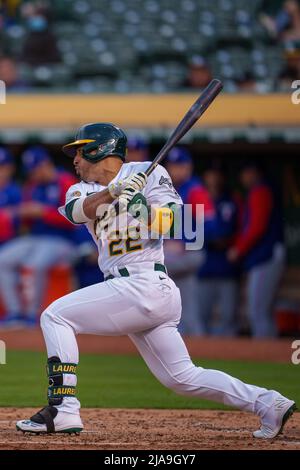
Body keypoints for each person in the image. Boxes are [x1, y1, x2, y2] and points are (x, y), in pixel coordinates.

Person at [16, 123, 296, 437]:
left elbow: (186, 227)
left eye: (80, 151)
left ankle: (63, 409)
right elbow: (77, 212)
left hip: (145, 282)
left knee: (55, 316)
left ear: (100, 149)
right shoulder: (81, 188)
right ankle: (268, 402)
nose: (75, 160)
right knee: (181, 377)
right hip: (130, 290)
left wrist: (142, 207)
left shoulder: (151, 173)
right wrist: (116, 192)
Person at [0, 146, 76, 326]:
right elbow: (26, 222)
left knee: (35, 263)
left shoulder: (65, 182)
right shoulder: (32, 187)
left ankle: (32, 315)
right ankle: (15, 312)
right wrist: (22, 213)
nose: (34, 173)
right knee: (3, 259)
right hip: (36, 238)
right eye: (31, 170)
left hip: (63, 240)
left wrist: (43, 212)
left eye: (36, 168)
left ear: (46, 164)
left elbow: (76, 219)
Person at [227, 160, 286, 337]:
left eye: (247, 173)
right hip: (266, 255)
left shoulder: (260, 190)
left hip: (267, 254)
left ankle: (268, 354)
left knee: (257, 311)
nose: (244, 177)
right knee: (261, 311)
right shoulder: (258, 191)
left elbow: (257, 227)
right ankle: (272, 354)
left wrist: (238, 249)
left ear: (255, 173)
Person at [164, 147, 204, 335]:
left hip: (192, 252)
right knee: (185, 307)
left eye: (179, 166)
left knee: (148, 266)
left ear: (188, 167)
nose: (175, 170)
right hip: (175, 255)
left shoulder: (195, 190)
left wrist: (183, 243)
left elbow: (210, 228)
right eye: (172, 166)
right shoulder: (168, 189)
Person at [197, 161, 239, 336]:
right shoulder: (198, 198)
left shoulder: (230, 201)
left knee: (228, 318)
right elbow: (191, 232)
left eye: (217, 174)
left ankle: (232, 357)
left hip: (226, 268)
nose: (213, 178)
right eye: (210, 174)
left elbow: (227, 234)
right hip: (203, 268)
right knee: (201, 317)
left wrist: (207, 238)